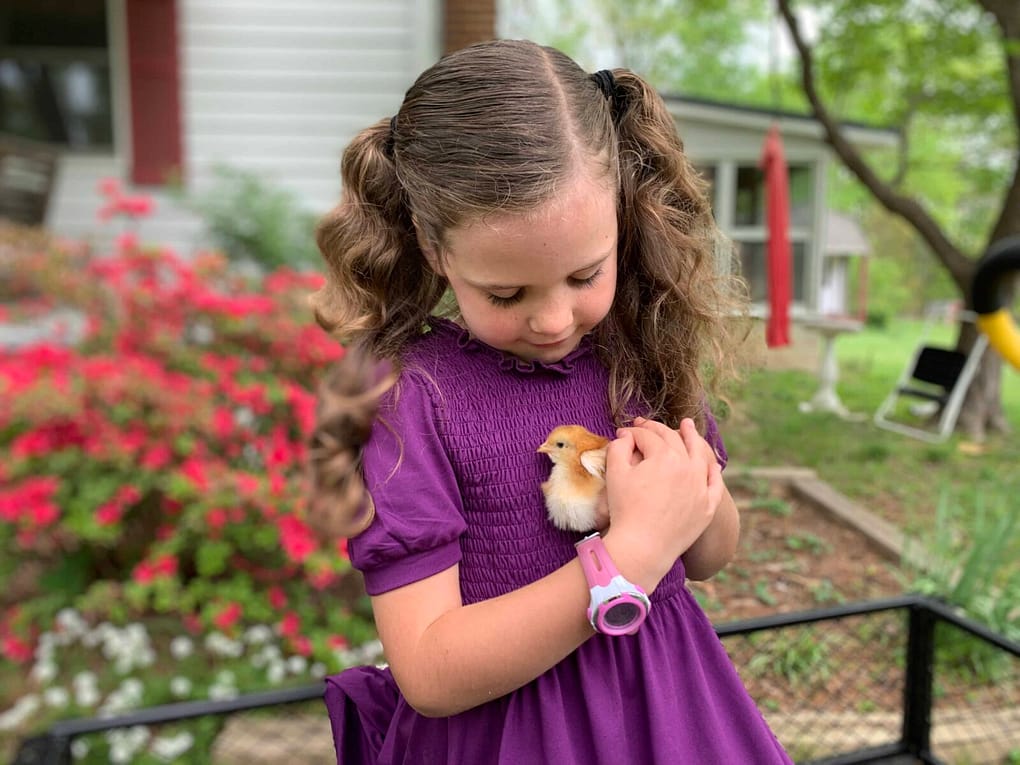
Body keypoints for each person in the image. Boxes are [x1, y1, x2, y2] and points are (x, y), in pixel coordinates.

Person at [308, 38, 793, 764]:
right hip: (509, 737)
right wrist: (625, 557)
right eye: (506, 293)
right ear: (434, 250)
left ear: (622, 225)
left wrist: (683, 497)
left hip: (667, 716)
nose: (555, 320)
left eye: (584, 274)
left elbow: (711, 554)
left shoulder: (637, 350)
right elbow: (431, 671)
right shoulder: (413, 395)